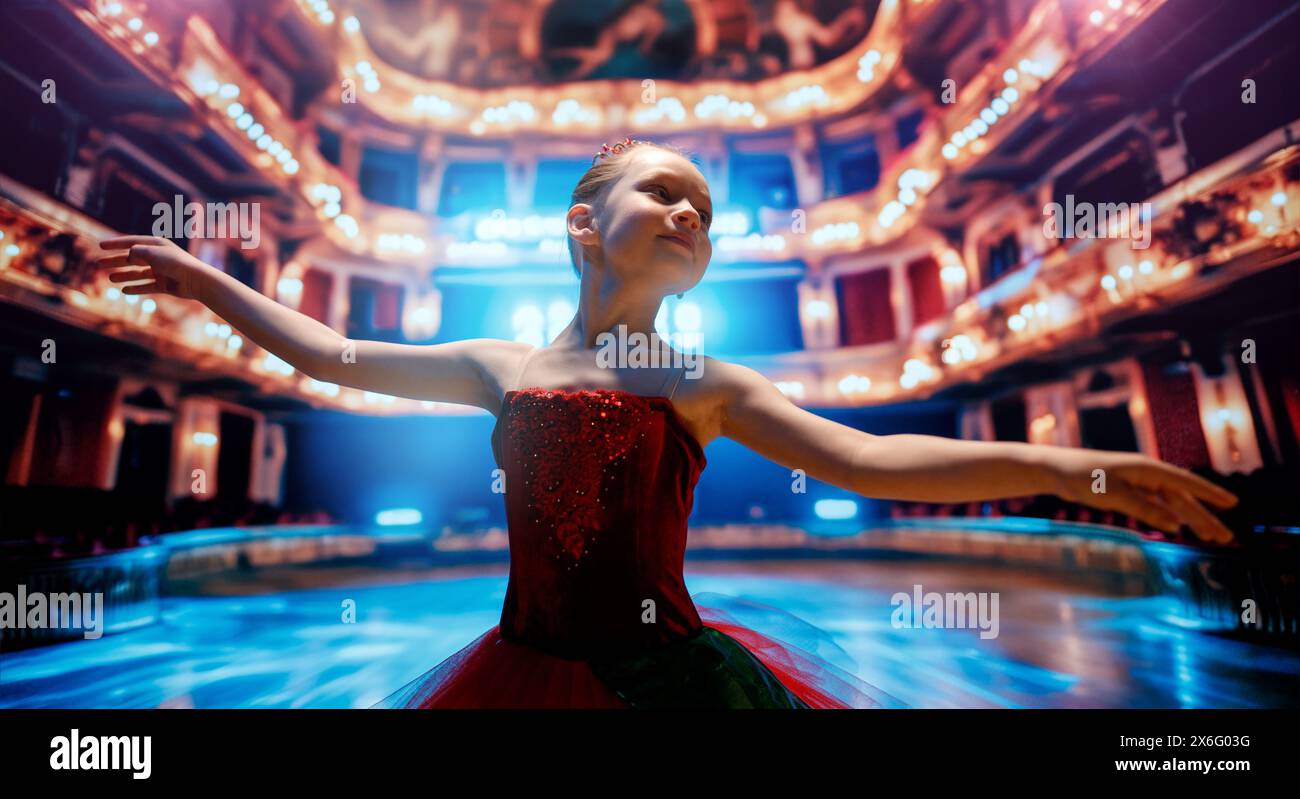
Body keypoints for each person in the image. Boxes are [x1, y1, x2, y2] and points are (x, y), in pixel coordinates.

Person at [95, 138, 1240, 708]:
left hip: (676, 685)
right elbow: (329, 352)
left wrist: (1077, 469)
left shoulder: (706, 383)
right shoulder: (501, 365)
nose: (690, 211)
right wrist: (206, 284)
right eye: (662, 193)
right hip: (517, 672)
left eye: (706, 207)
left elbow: (878, 458)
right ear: (583, 228)